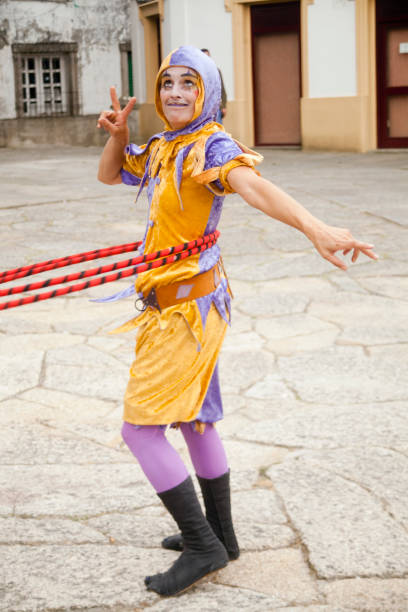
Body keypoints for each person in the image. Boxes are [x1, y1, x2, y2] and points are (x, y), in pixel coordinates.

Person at [96, 45, 377, 597]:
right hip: (185, 302)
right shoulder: (163, 145)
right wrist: (114, 134)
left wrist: (315, 228)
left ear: (209, 94)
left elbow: (254, 187)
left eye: (189, 83)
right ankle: (222, 535)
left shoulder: (211, 146)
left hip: (187, 311)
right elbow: (110, 176)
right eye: (168, 81)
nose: (175, 91)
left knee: (140, 429)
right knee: (198, 420)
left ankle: (202, 546)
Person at [201, 48, 227, 123]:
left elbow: (222, 89)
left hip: (215, 108)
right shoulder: (196, 72)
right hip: (202, 109)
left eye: (207, 57)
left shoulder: (216, 71)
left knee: (217, 130)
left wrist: (224, 106)